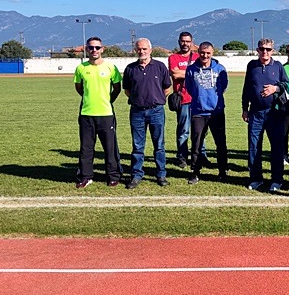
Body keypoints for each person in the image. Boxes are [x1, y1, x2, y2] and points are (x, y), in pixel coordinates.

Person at [241, 38, 289, 192]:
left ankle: (277, 180)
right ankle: (256, 178)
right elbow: (247, 87)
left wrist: (275, 89)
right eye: (262, 49)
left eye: (268, 49)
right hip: (255, 112)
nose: (265, 52)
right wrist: (244, 108)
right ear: (257, 50)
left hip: (274, 113)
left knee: (276, 148)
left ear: (272, 51)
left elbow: (287, 85)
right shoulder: (252, 66)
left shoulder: (278, 66)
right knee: (254, 147)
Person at [123, 38, 172, 189]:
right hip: (137, 112)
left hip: (156, 111)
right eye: (139, 49)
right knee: (138, 145)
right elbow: (127, 90)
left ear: (150, 50)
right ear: (135, 50)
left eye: (144, 49)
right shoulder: (130, 68)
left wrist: (155, 99)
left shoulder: (159, 66)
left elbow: (167, 88)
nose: (142, 51)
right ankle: (137, 174)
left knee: (159, 145)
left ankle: (161, 174)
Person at [73, 37, 123, 188]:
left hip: (106, 114)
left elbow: (117, 88)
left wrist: (107, 101)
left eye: (97, 47)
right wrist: (90, 99)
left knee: (109, 147)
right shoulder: (81, 68)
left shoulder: (110, 68)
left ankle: (113, 176)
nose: (94, 50)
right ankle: (86, 176)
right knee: (86, 148)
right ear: (87, 49)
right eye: (91, 47)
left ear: (102, 49)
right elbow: (79, 88)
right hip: (87, 113)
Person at [184, 42, 228, 185]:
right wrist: (200, 99)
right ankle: (195, 172)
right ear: (199, 52)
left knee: (220, 144)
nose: (205, 55)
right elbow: (190, 88)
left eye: (208, 53)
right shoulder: (191, 70)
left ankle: (222, 172)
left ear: (212, 53)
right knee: (196, 144)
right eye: (202, 52)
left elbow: (223, 87)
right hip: (198, 112)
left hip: (216, 112)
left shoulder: (220, 69)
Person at [169, 31, 200, 169]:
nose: (185, 44)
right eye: (183, 41)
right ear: (179, 42)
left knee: (199, 131)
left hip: (198, 100)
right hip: (183, 99)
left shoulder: (198, 56)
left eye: (188, 41)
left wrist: (185, 72)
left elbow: (202, 73)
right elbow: (175, 74)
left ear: (192, 42)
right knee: (183, 131)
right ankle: (182, 157)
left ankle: (200, 155)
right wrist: (193, 72)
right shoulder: (173, 57)